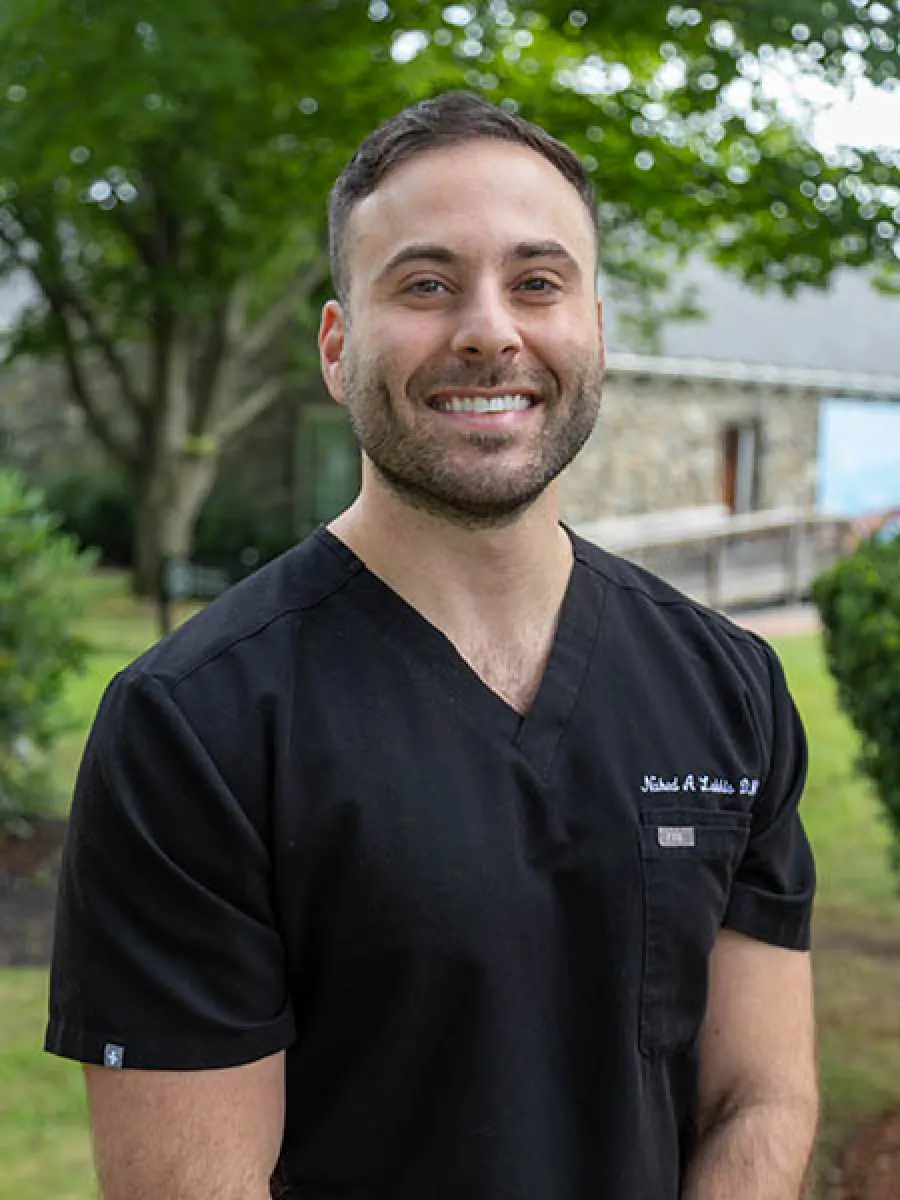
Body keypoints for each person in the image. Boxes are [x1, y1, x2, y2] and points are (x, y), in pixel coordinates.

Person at [46, 91, 818, 1199]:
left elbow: (761, 1098)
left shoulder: (730, 686)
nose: (490, 330)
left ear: (597, 329)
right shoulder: (196, 725)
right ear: (336, 343)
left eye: (538, 283)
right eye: (426, 284)